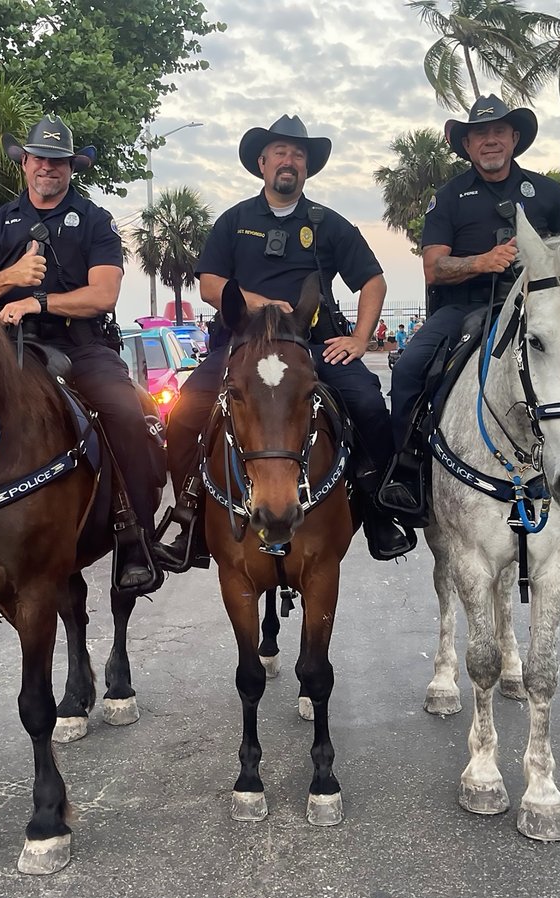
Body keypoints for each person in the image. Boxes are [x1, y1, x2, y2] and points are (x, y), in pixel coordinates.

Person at [152, 114, 415, 568]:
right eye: (280, 152)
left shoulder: (329, 224)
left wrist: (358, 337)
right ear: (262, 162)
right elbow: (211, 283)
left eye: (298, 154)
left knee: (369, 402)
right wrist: (259, 304)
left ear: (307, 167)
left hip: (312, 346)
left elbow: (373, 281)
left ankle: (377, 506)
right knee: (184, 416)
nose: (289, 161)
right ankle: (189, 516)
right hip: (242, 349)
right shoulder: (234, 221)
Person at [380, 94, 560, 530]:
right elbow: (433, 266)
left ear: (514, 138)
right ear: (467, 144)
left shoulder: (547, 192)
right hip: (466, 308)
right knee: (409, 367)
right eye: (480, 133)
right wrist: (481, 261)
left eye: (498, 131)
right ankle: (406, 472)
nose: (490, 141)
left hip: (541, 308)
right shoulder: (448, 198)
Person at [0, 114, 162, 592]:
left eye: (58, 163)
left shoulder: (95, 221)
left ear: (71, 169)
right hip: (9, 346)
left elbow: (103, 294)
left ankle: (135, 535)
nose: (47, 169)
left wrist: (40, 301)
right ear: (25, 164)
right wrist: (11, 279)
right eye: (40, 160)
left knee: (124, 415)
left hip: (81, 346)